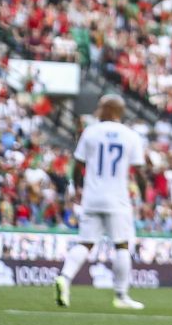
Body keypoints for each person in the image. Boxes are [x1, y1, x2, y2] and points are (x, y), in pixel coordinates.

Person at [54, 95, 149, 311]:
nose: (97, 110)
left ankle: (65, 278)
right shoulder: (130, 136)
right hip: (117, 198)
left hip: (92, 196)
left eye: (100, 107)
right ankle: (121, 295)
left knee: (85, 243)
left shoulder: (91, 132)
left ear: (109, 109)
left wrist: (75, 187)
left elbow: (78, 165)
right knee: (122, 244)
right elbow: (140, 172)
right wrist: (144, 196)